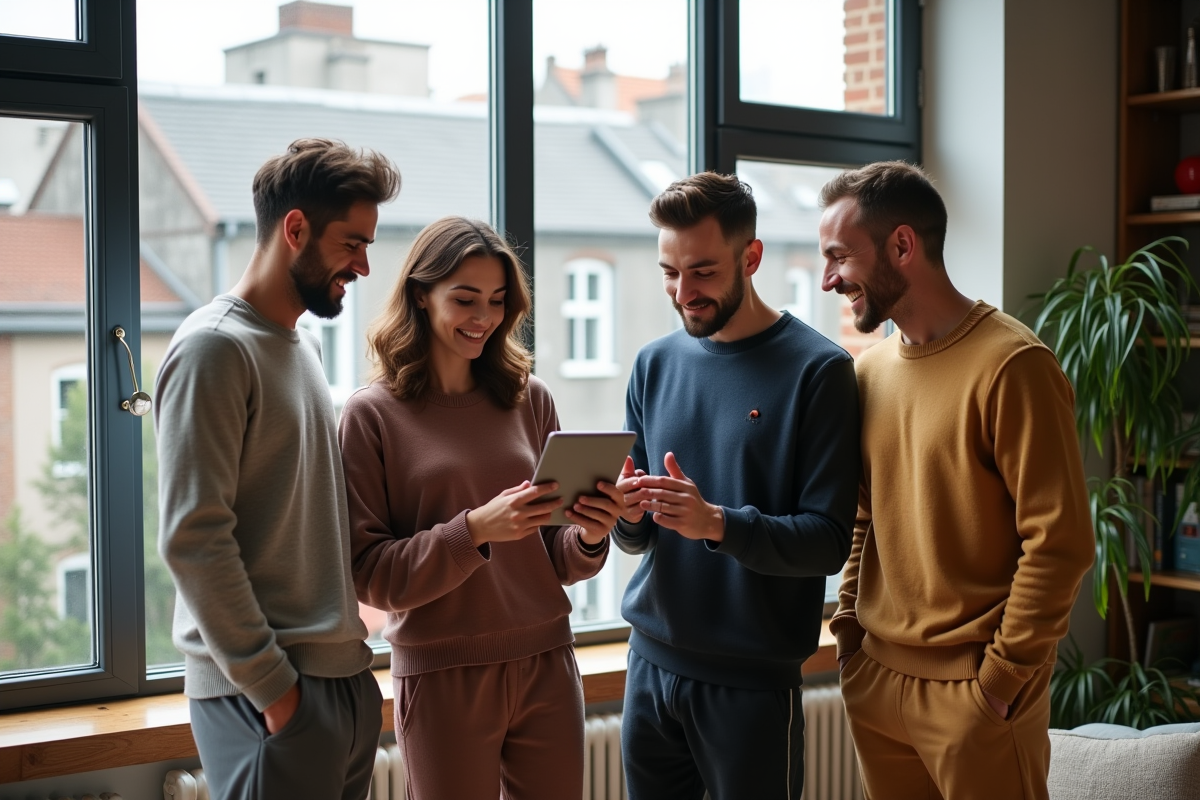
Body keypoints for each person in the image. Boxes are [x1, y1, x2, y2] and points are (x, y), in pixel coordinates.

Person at [819, 161, 1094, 800]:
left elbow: (1060, 544)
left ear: (903, 246)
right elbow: (866, 517)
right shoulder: (870, 372)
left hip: (975, 694)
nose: (830, 278)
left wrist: (999, 682)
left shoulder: (1013, 365)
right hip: (877, 682)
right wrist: (851, 636)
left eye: (839, 257)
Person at [339, 215, 623, 800]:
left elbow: (557, 557)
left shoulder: (528, 398)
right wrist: (472, 530)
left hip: (547, 656)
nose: (484, 318)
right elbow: (370, 577)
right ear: (421, 295)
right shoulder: (370, 415)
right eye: (465, 299)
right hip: (443, 672)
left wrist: (592, 535)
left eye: (497, 301)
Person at [155, 138, 400, 800]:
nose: (365, 266)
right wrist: (277, 693)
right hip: (270, 697)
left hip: (339, 685)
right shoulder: (213, 349)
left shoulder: (302, 345)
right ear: (295, 230)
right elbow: (194, 539)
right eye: (353, 243)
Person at [612, 172, 860, 800]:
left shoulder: (820, 371)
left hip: (751, 684)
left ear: (751, 257)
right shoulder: (653, 364)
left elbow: (828, 541)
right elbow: (635, 538)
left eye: (702, 272)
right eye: (670, 272)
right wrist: (624, 511)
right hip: (649, 666)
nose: (682, 292)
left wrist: (716, 523)